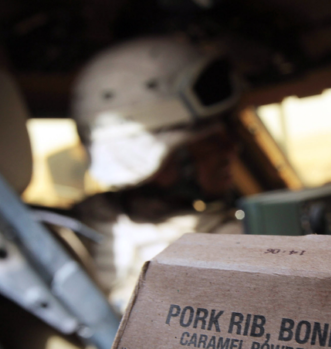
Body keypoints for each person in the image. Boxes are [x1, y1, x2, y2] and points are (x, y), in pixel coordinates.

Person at [71, 36, 243, 312]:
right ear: (163, 158)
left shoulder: (82, 229)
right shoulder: (76, 238)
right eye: (212, 140)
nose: (231, 150)